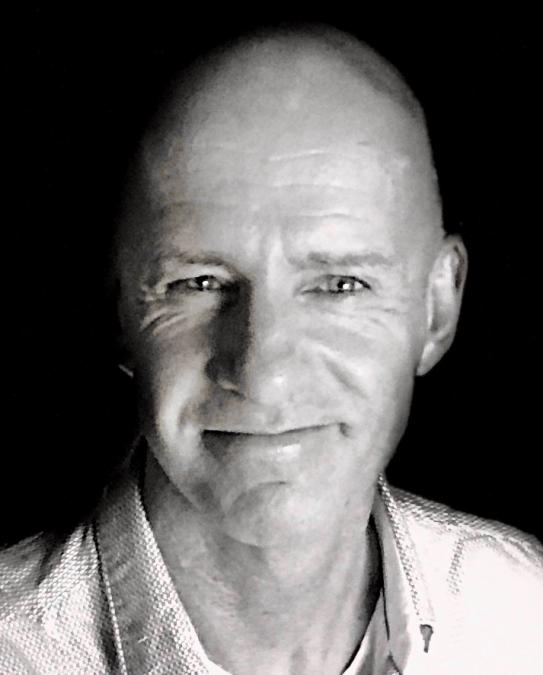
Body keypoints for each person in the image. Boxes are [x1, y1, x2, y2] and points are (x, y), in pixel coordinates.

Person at [1, 24, 542, 674]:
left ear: (436, 308)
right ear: (119, 310)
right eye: (200, 283)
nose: (263, 375)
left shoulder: (524, 618)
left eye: (339, 285)